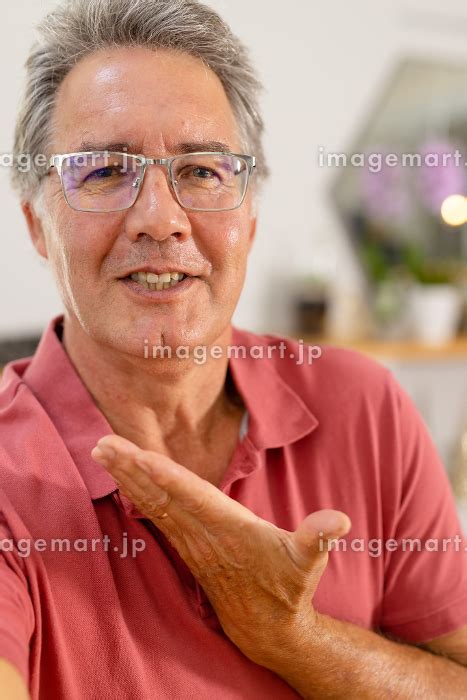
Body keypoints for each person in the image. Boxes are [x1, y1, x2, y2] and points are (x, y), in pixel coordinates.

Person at [1, 0, 467, 697]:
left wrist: (294, 637)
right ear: (39, 226)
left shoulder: (362, 403)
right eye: (102, 171)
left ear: (248, 218)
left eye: (202, 172)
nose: (160, 218)